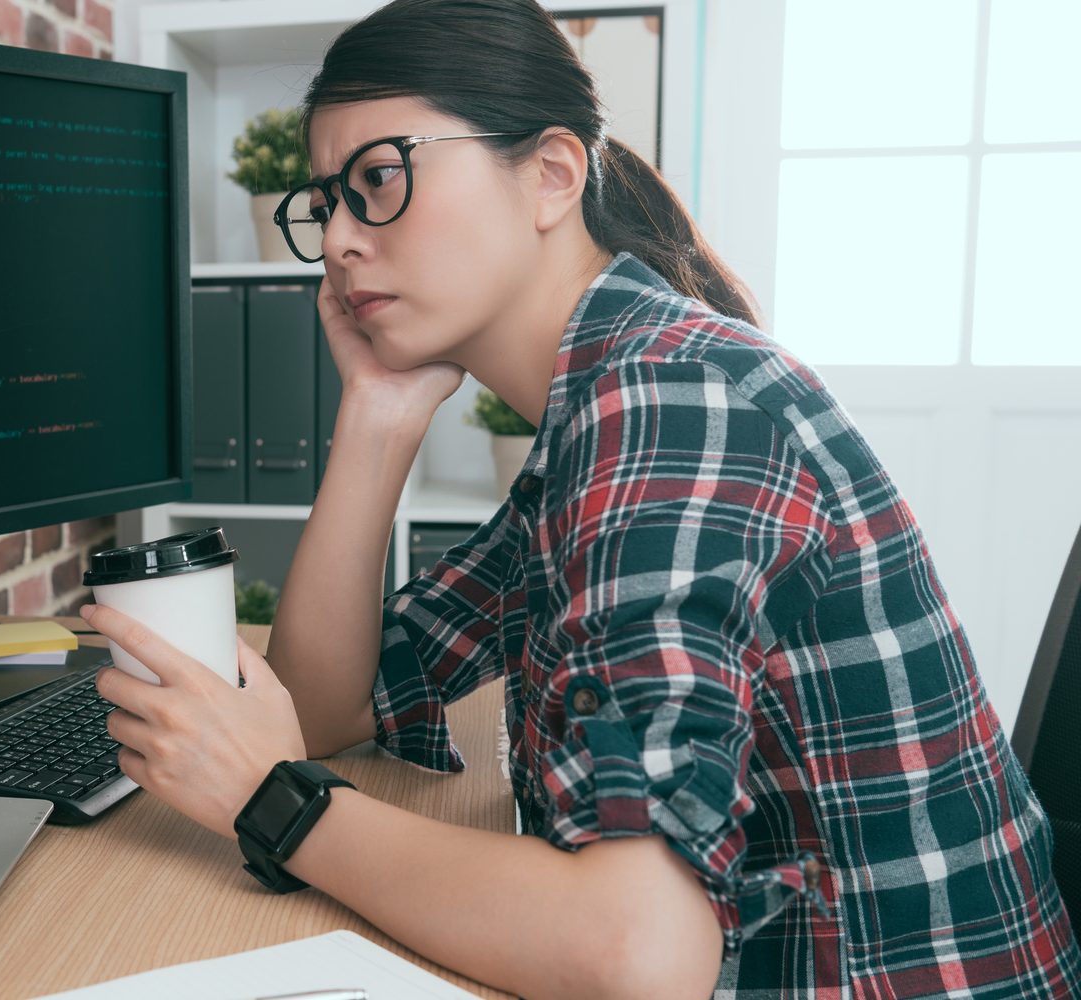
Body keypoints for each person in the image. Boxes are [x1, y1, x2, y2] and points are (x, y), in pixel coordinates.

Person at [83, 0, 1081, 995]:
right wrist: (377, 416)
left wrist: (275, 804)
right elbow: (327, 700)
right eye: (326, 203)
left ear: (551, 176)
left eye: (377, 180)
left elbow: (633, 954)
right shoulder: (599, 407)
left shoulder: (665, 406)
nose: (339, 239)